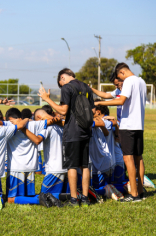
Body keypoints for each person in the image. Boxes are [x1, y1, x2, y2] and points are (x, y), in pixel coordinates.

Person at [38, 68, 95, 207]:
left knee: (72, 166)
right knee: (85, 165)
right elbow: (92, 110)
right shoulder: (86, 87)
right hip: (85, 131)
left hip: (73, 132)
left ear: (62, 77)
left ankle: (74, 199)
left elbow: (63, 110)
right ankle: (85, 198)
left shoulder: (67, 87)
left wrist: (47, 99)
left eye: (60, 83)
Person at [95, 62, 147, 202]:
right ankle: (140, 192)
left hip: (128, 126)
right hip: (139, 126)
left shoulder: (129, 80)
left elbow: (121, 101)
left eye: (120, 78)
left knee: (128, 158)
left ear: (122, 73)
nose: (121, 81)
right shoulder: (141, 81)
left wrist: (100, 103)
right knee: (138, 158)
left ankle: (134, 194)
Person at [3, 108, 61, 207]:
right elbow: (56, 120)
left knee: (11, 199)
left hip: (15, 168)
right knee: (28, 195)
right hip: (30, 167)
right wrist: (26, 119)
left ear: (10, 119)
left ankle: (40, 199)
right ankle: (49, 197)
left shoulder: (9, 124)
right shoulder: (35, 124)